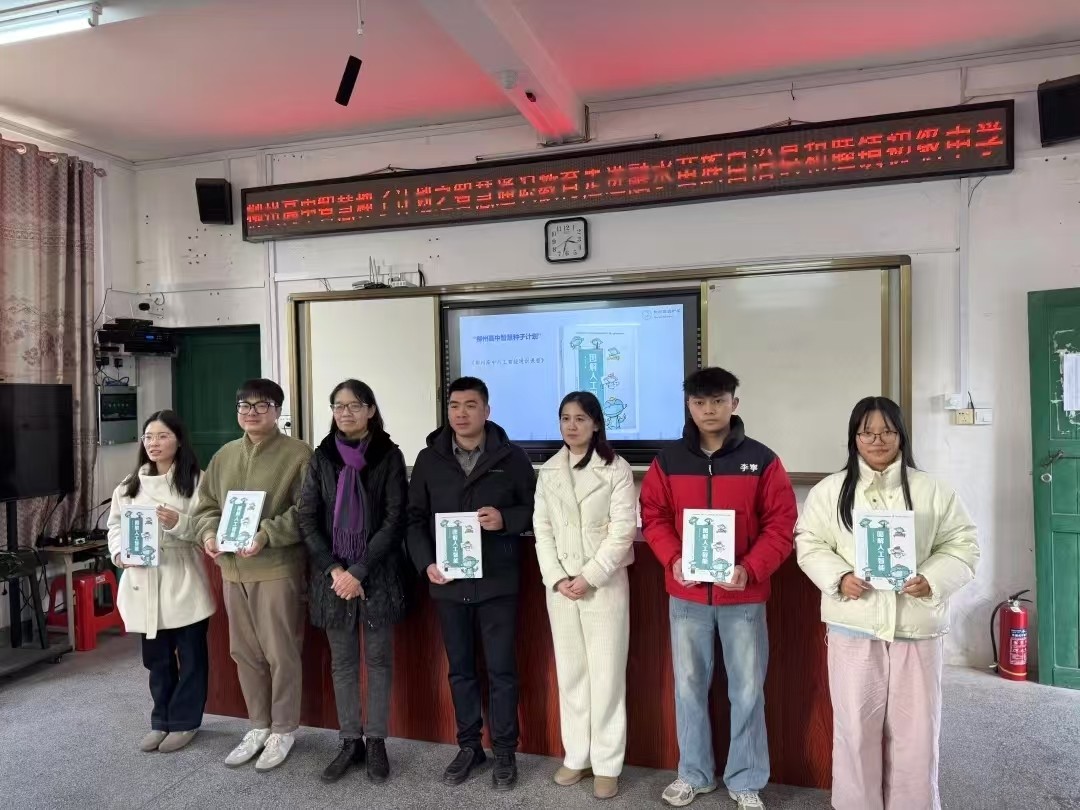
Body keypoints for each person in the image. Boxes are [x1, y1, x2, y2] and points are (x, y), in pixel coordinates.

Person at [795, 397, 978, 810]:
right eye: (867, 432)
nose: (877, 440)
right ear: (854, 438)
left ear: (901, 435)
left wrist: (932, 579)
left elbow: (963, 545)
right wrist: (839, 577)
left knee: (917, 732)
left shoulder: (934, 490)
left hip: (917, 628)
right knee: (855, 729)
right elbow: (809, 543)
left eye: (887, 431)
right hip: (854, 625)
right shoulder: (829, 491)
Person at [640, 367, 797, 810]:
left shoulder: (762, 460)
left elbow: (781, 523)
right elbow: (652, 516)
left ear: (734, 403)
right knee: (688, 687)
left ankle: (746, 780)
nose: (709, 410)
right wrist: (673, 559)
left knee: (747, 690)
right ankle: (694, 773)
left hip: (742, 598)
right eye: (699, 402)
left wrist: (750, 568)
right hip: (687, 596)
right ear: (688, 406)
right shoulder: (668, 461)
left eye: (718, 400)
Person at [406, 376, 536, 791]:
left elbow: (536, 509)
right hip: (448, 582)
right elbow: (413, 519)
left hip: (497, 582)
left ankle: (505, 751)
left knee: (501, 670)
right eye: (454, 406)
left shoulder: (512, 457)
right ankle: (469, 746)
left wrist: (505, 519)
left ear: (487, 411)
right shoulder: (429, 459)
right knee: (460, 670)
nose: (461, 414)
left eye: (470, 405)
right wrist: (426, 563)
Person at [193, 378, 313, 772]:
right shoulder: (224, 455)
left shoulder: (299, 454)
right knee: (244, 653)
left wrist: (266, 535)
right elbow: (206, 506)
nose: (251, 412)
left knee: (281, 651)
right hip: (233, 570)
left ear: (277, 411)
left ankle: (283, 729)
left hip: (276, 568)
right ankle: (258, 725)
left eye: (262, 405)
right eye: (244, 405)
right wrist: (209, 534)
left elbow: (306, 511)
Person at [298, 379, 409, 784]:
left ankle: (376, 741)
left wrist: (359, 570)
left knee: (378, 661)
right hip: (332, 578)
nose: (346, 413)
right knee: (342, 663)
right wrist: (335, 570)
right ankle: (349, 742)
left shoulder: (389, 456)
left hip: (377, 575)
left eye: (354, 405)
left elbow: (395, 519)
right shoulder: (321, 457)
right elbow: (307, 517)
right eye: (338, 406)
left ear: (371, 410)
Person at [532, 391, 636, 801]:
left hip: (603, 585)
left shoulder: (616, 468)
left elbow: (623, 530)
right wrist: (557, 578)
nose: (571, 426)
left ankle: (607, 763)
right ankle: (577, 755)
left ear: (595, 423)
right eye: (565, 418)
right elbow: (542, 530)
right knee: (572, 673)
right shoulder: (549, 470)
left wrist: (589, 576)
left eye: (580, 418)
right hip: (561, 589)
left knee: (606, 676)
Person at [107, 410, 214, 754]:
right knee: (156, 659)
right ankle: (161, 720)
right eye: (149, 437)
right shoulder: (129, 485)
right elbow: (115, 526)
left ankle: (186, 722)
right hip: (143, 579)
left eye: (162, 436)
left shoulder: (198, 481)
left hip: (182, 576)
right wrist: (119, 553)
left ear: (179, 440)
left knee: (191, 657)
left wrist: (178, 522)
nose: (154, 443)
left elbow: (208, 527)